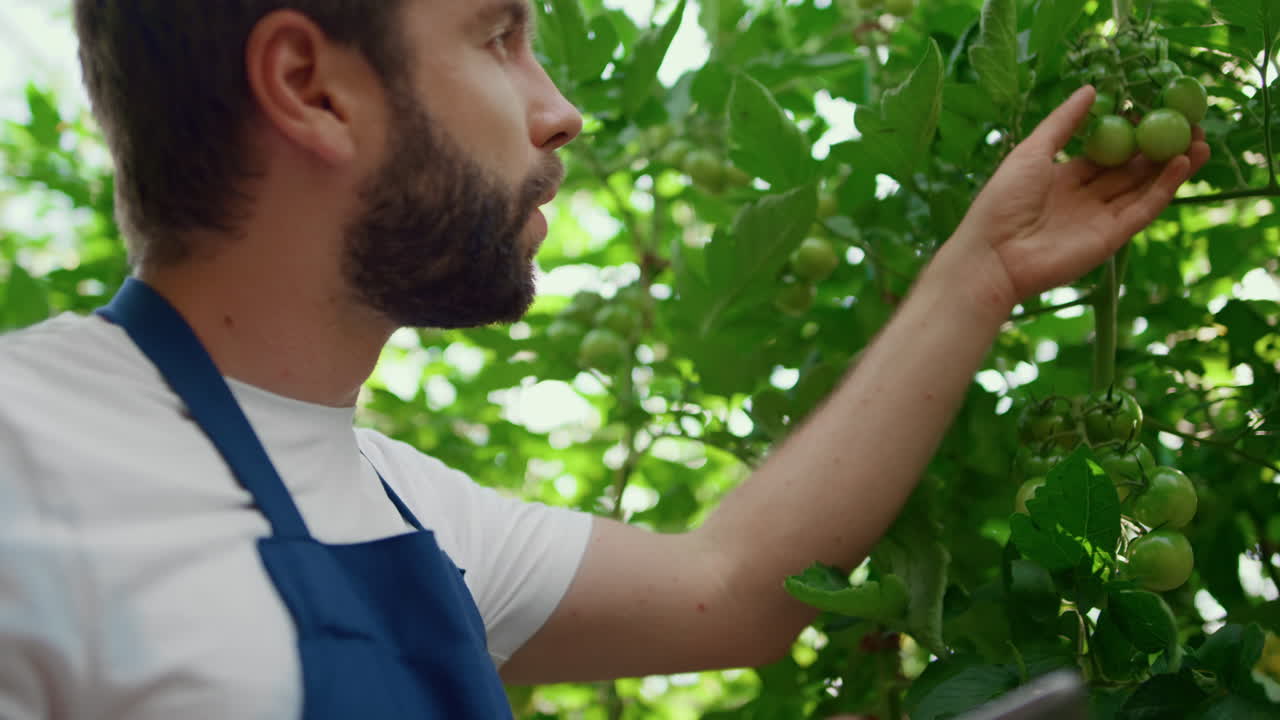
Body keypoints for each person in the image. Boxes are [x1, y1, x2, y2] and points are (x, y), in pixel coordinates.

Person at [0, 1, 1210, 718]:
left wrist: (982, 269)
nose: (558, 106)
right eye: (499, 35)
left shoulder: (404, 513)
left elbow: (733, 588)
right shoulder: (25, 454)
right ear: (311, 87)